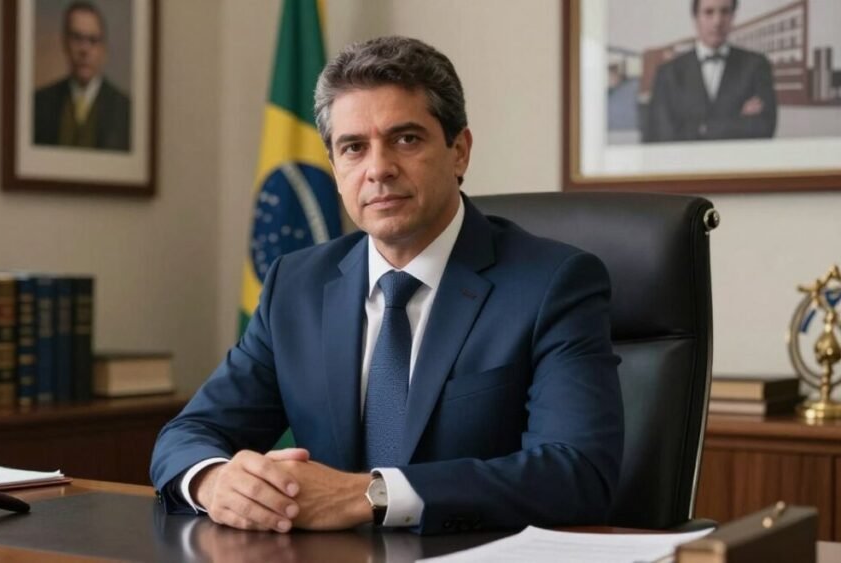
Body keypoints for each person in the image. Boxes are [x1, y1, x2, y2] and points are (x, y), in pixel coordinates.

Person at [151, 36, 623, 535]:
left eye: (406, 139)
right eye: (353, 148)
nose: (378, 169)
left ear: (459, 152)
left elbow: (578, 473)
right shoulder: (297, 285)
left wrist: (367, 496)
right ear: (335, 169)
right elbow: (189, 433)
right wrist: (214, 480)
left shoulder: (553, 283)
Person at [645, 0, 777, 143]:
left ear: (733, 16)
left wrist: (701, 128)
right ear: (696, 18)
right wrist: (735, 121)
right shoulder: (668, 73)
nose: (717, 21)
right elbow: (661, 136)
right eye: (709, 12)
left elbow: (764, 128)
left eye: (725, 12)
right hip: (686, 164)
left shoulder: (756, 65)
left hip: (739, 164)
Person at [33, 1, 130, 151]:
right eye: (77, 38)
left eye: (93, 40)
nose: (84, 49)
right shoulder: (39, 104)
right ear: (65, 43)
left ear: (103, 49)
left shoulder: (125, 110)